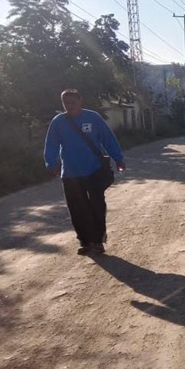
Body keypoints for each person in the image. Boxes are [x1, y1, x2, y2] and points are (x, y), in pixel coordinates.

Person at [44, 89, 126, 255]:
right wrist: (50, 163)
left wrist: (118, 158)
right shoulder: (58, 122)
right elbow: (51, 144)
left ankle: (98, 241)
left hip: (93, 170)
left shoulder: (93, 117)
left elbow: (108, 139)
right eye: (66, 103)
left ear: (80, 100)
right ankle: (85, 241)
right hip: (70, 173)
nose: (69, 106)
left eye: (72, 102)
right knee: (77, 209)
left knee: (97, 206)